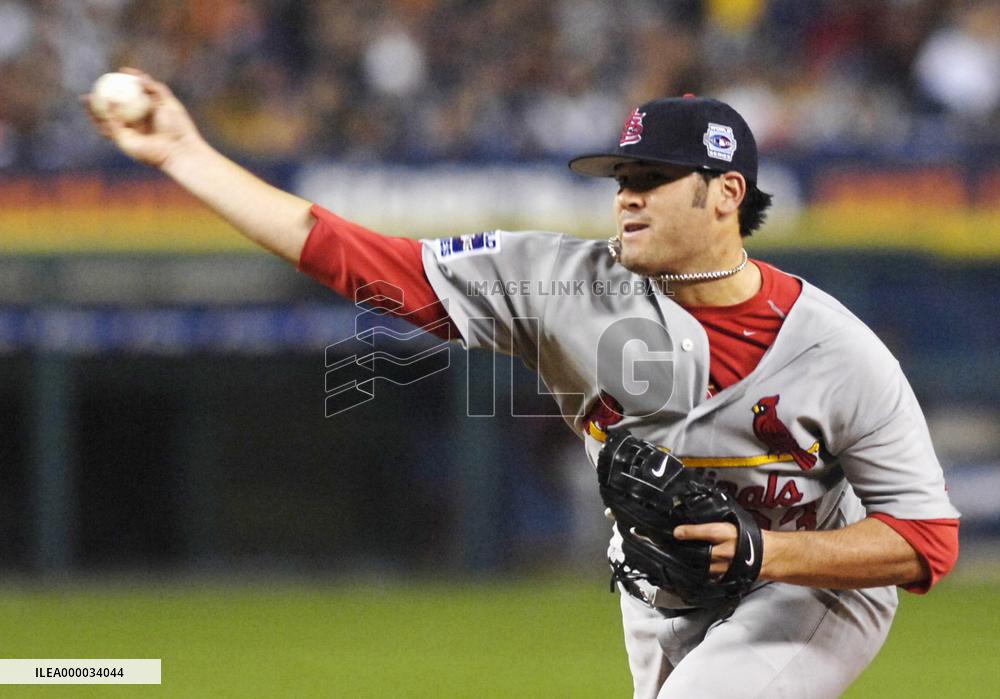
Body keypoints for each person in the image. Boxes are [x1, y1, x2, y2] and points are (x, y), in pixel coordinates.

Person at [86, 70, 960, 698]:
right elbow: (356, 257)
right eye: (622, 178)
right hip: (661, 589)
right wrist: (184, 156)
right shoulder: (557, 284)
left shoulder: (839, 352)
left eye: (653, 179)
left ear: (728, 192)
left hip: (811, 584)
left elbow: (926, 541)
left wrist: (770, 552)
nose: (627, 197)